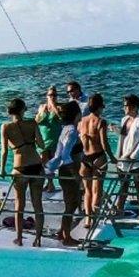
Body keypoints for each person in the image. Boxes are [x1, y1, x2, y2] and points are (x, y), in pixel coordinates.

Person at [0, 98, 46, 247]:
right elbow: (41, 144)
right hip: (36, 166)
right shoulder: (32, 124)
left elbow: (4, 151)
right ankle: (38, 239)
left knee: (20, 205)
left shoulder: (5, 127)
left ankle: (19, 238)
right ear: (23, 110)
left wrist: (2, 169)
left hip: (20, 168)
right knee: (38, 204)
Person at [45, 101, 83, 246]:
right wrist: (75, 173)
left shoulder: (65, 128)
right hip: (69, 171)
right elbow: (66, 154)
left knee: (71, 202)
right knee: (72, 203)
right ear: (77, 114)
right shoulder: (72, 131)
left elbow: (60, 153)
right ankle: (66, 236)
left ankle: (63, 231)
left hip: (65, 170)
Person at [78, 93, 114, 232]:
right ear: (100, 107)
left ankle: (88, 219)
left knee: (87, 191)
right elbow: (104, 144)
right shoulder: (100, 122)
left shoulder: (81, 122)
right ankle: (96, 217)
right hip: (98, 157)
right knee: (96, 191)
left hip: (84, 158)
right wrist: (112, 158)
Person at [115, 94, 139, 226]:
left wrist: (134, 155)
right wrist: (118, 157)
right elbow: (123, 138)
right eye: (124, 105)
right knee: (123, 186)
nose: (124, 108)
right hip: (124, 158)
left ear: (134, 107)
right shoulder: (124, 119)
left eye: (127, 106)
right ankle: (119, 209)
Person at [35, 86, 63, 194]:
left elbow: (61, 119)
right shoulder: (42, 107)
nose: (53, 97)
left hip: (54, 139)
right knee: (43, 162)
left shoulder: (59, 108)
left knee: (53, 162)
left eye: (55, 95)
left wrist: (54, 106)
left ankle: (51, 184)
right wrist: (41, 112)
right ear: (47, 96)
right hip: (43, 138)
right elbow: (37, 121)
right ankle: (49, 183)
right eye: (51, 95)